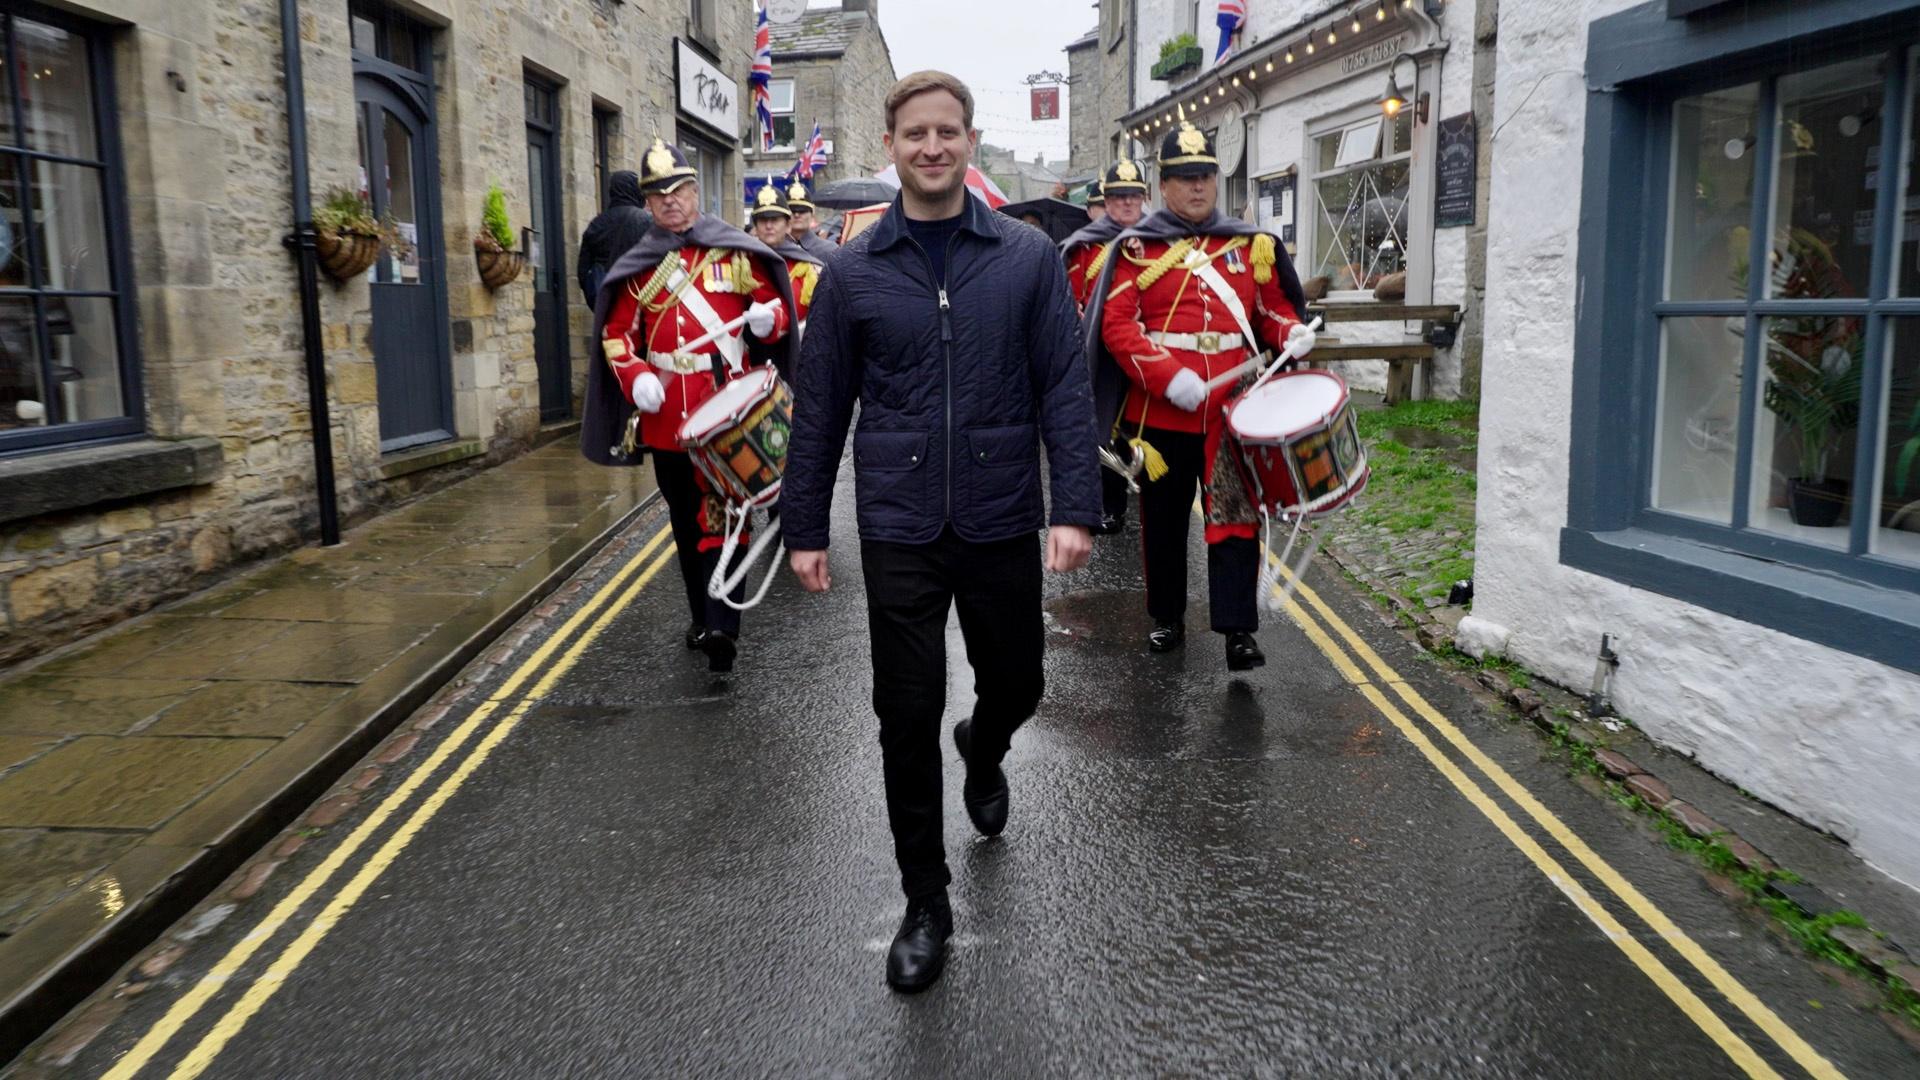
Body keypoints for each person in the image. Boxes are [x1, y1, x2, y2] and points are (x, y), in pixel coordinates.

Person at [782, 71, 1099, 994]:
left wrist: (1073, 505)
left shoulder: (1027, 258)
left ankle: (987, 744)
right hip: (899, 523)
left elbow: (1063, 388)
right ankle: (926, 899)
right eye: (915, 133)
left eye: (947, 132)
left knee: (1020, 682)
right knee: (905, 713)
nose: (931, 147)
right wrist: (805, 526)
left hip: (1001, 515)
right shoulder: (851, 272)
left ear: (969, 140)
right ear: (892, 145)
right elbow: (819, 411)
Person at [1082, 119, 1312, 672]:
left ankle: (1237, 630)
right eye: (1184, 177)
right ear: (1163, 186)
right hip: (1162, 412)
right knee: (1162, 521)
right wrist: (1167, 377)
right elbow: (1118, 326)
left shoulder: (1249, 245)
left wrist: (1291, 334)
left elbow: (1270, 311)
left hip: (1232, 407)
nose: (1197, 186)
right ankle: (1167, 617)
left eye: (1205, 175)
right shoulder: (1136, 249)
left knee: (1235, 515)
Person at [581, 139, 797, 673]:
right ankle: (702, 616)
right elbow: (615, 335)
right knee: (684, 520)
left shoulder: (733, 252)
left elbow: (774, 310)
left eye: (679, 190)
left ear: (696, 191)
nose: (671, 202)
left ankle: (725, 626)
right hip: (664, 422)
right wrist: (634, 377)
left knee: (726, 517)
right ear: (648, 205)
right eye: (659, 195)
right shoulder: (638, 267)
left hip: (725, 414)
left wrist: (771, 319)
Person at [1061, 161, 1150, 535]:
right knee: (1106, 429)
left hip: (1148, 349)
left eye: (1133, 196)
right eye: (1114, 198)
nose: (1124, 204)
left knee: (1145, 429)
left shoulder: (1158, 238)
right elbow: (1069, 289)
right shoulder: (1083, 246)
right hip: (1102, 351)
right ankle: (1110, 505)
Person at [748, 184, 825, 331]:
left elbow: (803, 310)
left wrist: (776, 319)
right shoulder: (744, 261)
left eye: (775, 219)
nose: (769, 226)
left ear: (788, 225)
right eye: (763, 220)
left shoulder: (805, 267)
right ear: (755, 227)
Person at [575, 170, 653, 305]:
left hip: (605, 298)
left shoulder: (597, 223)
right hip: (638, 295)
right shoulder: (646, 220)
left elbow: (583, 269)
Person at [786, 180, 839, 259]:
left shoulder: (830, 250)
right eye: (792, 211)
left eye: (802, 210)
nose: (797, 215)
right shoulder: (775, 250)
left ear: (812, 214)